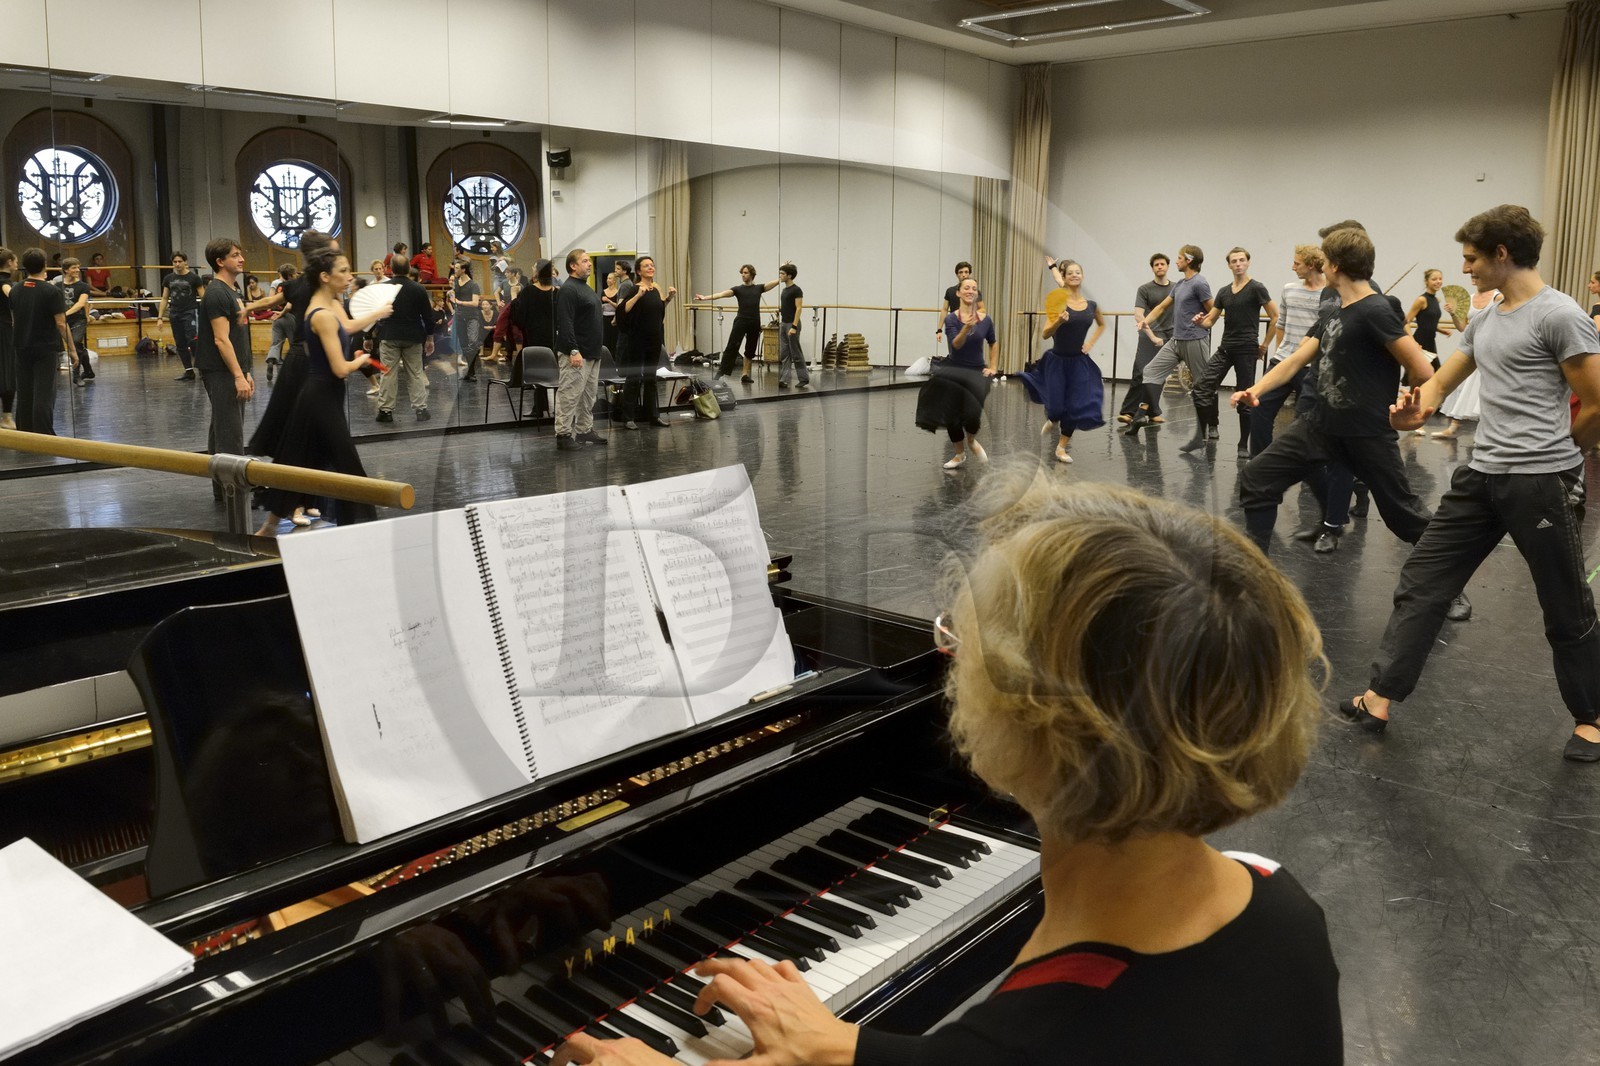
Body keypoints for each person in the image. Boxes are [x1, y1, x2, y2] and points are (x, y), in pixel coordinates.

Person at [551, 478, 1342, 1066]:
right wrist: (842, 1049)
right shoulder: (1282, 911)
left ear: (1037, 727)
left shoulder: (1043, 1040)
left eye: (960, 647)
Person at [1347, 205, 1600, 759]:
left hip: (1539, 480)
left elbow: (1598, 402)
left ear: (1501, 255)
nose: (1465, 270)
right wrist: (1419, 409)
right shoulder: (1488, 317)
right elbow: (1442, 380)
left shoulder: (1560, 316)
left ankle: (1591, 716)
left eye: (1471, 259)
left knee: (1563, 601)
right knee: (1423, 578)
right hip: (1482, 474)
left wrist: (1564, 453)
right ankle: (1381, 694)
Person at [1231, 226, 1435, 555]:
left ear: (1336, 265)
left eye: (1324, 261)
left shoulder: (1376, 310)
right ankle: (1257, 571)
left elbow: (1423, 370)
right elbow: (1296, 359)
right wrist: (1255, 388)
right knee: (1257, 478)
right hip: (1320, 425)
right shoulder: (1335, 310)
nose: (1322, 267)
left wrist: (1410, 404)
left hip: (1366, 433)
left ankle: (1450, 586)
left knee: (1404, 515)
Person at [255, 249, 391, 535]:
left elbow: (348, 329)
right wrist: (362, 361)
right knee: (347, 464)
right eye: (343, 271)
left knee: (301, 459)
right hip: (320, 398)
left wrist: (377, 313)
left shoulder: (328, 305)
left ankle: (269, 528)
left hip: (322, 395)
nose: (350, 276)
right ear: (325, 276)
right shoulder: (323, 315)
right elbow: (340, 369)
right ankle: (364, 530)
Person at [1185, 247, 1276, 457]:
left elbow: (1275, 316)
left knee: (1245, 398)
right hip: (1226, 348)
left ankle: (1243, 444)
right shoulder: (1224, 292)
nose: (1238, 264)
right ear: (1229, 265)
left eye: (1241, 260)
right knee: (1201, 387)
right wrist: (1200, 322)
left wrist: (1264, 344)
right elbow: (1210, 321)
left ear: (1248, 262)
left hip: (1246, 350)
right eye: (1234, 261)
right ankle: (1202, 434)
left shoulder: (1256, 288)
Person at [1021, 260, 1105, 464]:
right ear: (1065, 278)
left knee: (1076, 407)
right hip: (1057, 362)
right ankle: (1052, 417)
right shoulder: (1059, 301)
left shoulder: (1092, 305)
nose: (1075, 275)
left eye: (1078, 272)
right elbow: (1044, 334)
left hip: (1079, 363)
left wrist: (1090, 343)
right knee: (1057, 408)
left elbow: (1102, 325)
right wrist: (1058, 321)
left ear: (1082, 276)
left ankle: (1061, 447)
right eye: (1070, 273)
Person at [1124, 245, 1212, 436]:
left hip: (1195, 340)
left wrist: (1204, 322)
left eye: (1180, 258)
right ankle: (1141, 414)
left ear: (1189, 260)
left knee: (1202, 384)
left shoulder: (1200, 283)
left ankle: (1211, 425)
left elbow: (1213, 310)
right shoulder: (1179, 285)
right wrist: (1144, 322)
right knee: (1150, 371)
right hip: (1176, 340)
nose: (1177, 261)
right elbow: (1161, 308)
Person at [1252, 245, 1327, 455]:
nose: (1292, 267)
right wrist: (1279, 355)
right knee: (1259, 408)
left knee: (1308, 421)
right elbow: (1281, 325)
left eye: (1297, 263)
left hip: (1312, 366)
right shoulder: (1289, 289)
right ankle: (1259, 460)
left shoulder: (1330, 293)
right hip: (1283, 360)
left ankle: (1310, 469)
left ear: (1311, 265)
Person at [195, 238, 255, 500]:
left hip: (232, 369)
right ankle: (234, 492)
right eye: (234, 255)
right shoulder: (218, 293)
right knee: (230, 431)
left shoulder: (234, 291)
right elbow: (221, 339)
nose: (241, 259)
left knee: (221, 427)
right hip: (220, 371)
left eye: (240, 254)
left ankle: (223, 489)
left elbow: (239, 337)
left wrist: (247, 370)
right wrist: (238, 375)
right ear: (220, 262)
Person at [916, 276, 995, 469]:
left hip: (976, 372)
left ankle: (971, 440)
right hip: (954, 369)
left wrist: (993, 366)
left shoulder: (986, 320)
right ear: (958, 293)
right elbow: (956, 345)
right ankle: (959, 454)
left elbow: (993, 342)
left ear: (977, 294)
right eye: (966, 288)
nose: (970, 291)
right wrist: (966, 328)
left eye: (974, 289)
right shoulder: (951, 318)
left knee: (971, 413)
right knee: (950, 414)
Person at [7, 247, 73, 434]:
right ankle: (45, 434)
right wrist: (73, 350)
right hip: (45, 348)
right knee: (44, 394)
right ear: (44, 265)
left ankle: (26, 433)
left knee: (25, 393)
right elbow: (61, 323)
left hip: (21, 346)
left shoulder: (15, 290)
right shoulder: (51, 291)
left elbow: (14, 320)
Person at [553, 248, 607, 451]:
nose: (589, 264)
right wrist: (573, 350)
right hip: (576, 353)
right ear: (573, 266)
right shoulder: (569, 289)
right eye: (584, 261)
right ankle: (563, 435)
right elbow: (565, 323)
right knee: (569, 395)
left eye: (589, 261)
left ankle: (584, 431)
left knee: (587, 396)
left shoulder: (586, 287)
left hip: (592, 353)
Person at [1431, 287, 1498, 439]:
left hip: (1489, 349)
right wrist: (1453, 313)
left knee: (1482, 389)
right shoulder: (1469, 298)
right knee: (1463, 386)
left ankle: (1486, 432)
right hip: (1472, 347)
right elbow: (1462, 327)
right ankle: (1453, 427)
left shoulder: (1498, 298)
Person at [375, 258, 434, 423]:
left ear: (390, 268)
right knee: (415, 373)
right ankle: (421, 409)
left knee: (387, 373)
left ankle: (385, 411)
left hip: (389, 334)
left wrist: (368, 336)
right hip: (413, 336)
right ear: (409, 268)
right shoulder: (418, 289)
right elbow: (428, 317)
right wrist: (430, 337)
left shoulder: (383, 288)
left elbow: (376, 315)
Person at [619, 255, 675, 428]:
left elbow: (657, 310)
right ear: (638, 271)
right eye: (646, 266)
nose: (651, 268)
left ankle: (653, 415)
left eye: (652, 265)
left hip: (654, 340)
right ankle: (628, 418)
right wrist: (638, 296)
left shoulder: (655, 289)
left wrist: (668, 299)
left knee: (651, 378)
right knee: (634, 377)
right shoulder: (635, 289)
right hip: (637, 340)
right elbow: (622, 310)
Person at [1117, 253, 1173, 424]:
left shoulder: (1176, 288)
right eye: (1156, 265)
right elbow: (1138, 314)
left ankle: (1153, 411)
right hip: (1148, 336)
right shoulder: (1145, 289)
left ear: (1167, 266)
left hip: (1168, 336)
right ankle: (1128, 411)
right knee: (1140, 372)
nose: (1160, 267)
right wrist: (1152, 336)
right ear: (1152, 268)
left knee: (1159, 375)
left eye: (1162, 264)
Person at [698, 265, 779, 382]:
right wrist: (705, 298)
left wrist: (782, 276)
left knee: (750, 349)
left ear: (751, 274)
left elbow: (771, 284)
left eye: (745, 273)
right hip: (741, 320)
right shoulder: (738, 289)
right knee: (732, 346)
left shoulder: (759, 288)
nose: (743, 275)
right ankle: (721, 371)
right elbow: (721, 294)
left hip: (754, 321)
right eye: (742, 273)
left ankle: (745, 374)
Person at [506, 258, 558, 396]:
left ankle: (539, 407)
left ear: (538, 272)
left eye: (534, 267)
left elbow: (517, 316)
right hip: (552, 336)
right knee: (551, 371)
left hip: (534, 337)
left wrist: (513, 295)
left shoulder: (529, 292)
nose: (532, 269)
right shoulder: (557, 292)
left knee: (538, 372)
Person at [1404, 268, 1457, 374]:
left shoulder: (1436, 300)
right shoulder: (1421, 300)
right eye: (1434, 279)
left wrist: (1441, 330)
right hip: (1420, 343)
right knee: (1423, 375)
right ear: (1426, 281)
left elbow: (1427, 322)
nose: (1438, 281)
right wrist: (1413, 343)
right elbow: (1405, 322)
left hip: (1431, 342)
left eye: (1440, 279)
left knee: (1432, 375)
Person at [159, 252, 202, 382]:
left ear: (185, 262)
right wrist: (160, 317)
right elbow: (165, 298)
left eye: (179, 261)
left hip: (190, 312)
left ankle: (202, 368)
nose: (177, 264)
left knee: (193, 341)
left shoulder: (194, 278)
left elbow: (203, 296)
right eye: (175, 262)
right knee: (180, 343)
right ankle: (189, 371)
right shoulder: (168, 279)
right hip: (175, 313)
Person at [58, 257, 93, 385]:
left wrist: (65, 314)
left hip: (78, 319)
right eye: (74, 268)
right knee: (79, 346)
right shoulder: (57, 286)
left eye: (78, 267)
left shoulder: (83, 286)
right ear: (66, 270)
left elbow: (81, 303)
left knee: (76, 342)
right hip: (63, 321)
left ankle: (76, 375)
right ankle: (88, 370)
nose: (77, 270)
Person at [447, 258, 483, 380]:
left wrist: (459, 302)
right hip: (460, 317)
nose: (454, 270)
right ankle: (470, 372)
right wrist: (450, 294)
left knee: (472, 342)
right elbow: (452, 293)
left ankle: (472, 371)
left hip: (472, 317)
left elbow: (475, 303)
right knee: (464, 344)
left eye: (457, 268)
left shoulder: (473, 285)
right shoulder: (456, 283)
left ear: (463, 270)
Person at [776, 262, 808, 388]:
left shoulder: (796, 289)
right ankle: (784, 379)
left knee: (796, 353)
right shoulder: (784, 290)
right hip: (784, 323)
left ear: (789, 276)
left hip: (791, 324)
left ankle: (804, 378)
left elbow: (799, 308)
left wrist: (794, 327)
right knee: (785, 353)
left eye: (782, 274)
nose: (780, 276)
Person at [0, 247, 15, 429]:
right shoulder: (5, 282)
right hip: (3, 330)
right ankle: (7, 416)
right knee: (7, 372)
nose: (17, 264)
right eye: (16, 261)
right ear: (9, 262)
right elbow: (12, 296)